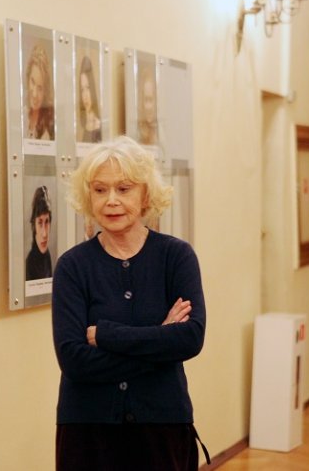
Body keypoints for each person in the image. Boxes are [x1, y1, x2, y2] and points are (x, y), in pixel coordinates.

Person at [52, 136, 209, 470]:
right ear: (88, 196)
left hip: (162, 425)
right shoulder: (72, 267)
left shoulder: (176, 257)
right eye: (100, 190)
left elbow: (190, 338)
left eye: (123, 189)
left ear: (145, 194)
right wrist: (161, 341)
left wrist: (106, 335)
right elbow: (74, 361)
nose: (111, 200)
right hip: (88, 430)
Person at [24, 44, 55, 140]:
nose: (34, 94)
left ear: (45, 91)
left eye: (40, 88)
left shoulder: (50, 124)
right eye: (32, 82)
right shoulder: (22, 114)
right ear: (28, 78)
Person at [26, 185, 53, 280]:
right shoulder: (30, 262)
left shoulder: (47, 256)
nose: (44, 234)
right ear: (34, 225)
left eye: (47, 222)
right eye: (40, 223)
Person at [77, 54, 101, 143]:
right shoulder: (83, 125)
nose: (85, 96)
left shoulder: (98, 125)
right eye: (82, 90)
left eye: (88, 88)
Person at [137, 67, 158, 145]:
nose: (149, 107)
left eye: (151, 99)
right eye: (146, 100)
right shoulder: (136, 132)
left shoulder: (162, 131)